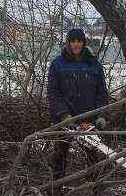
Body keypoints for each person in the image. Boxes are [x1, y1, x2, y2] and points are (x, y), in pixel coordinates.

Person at [47, 28, 109, 181]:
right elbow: (53, 94)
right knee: (60, 154)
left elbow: (101, 92)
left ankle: (96, 188)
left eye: (79, 41)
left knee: (92, 152)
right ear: (68, 42)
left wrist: (101, 115)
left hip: (88, 118)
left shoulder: (93, 64)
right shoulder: (57, 65)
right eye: (72, 41)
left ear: (83, 42)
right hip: (64, 119)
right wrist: (64, 115)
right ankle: (57, 187)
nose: (76, 44)